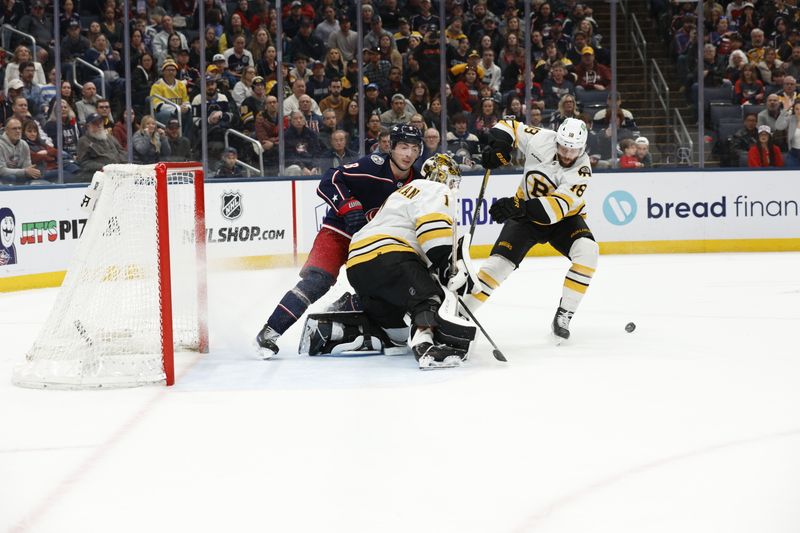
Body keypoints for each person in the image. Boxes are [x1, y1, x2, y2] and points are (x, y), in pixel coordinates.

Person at [254, 125, 424, 357]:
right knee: (317, 281)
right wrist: (347, 205)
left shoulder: (418, 184)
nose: (408, 154)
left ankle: (346, 307)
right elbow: (330, 179)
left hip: (374, 244)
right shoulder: (372, 166)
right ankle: (270, 332)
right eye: (403, 147)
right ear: (391, 147)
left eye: (414, 149)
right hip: (339, 232)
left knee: (387, 290)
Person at [335, 153, 476, 368]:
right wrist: (446, 265)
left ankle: (350, 323)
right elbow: (432, 230)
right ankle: (425, 346)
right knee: (428, 297)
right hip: (389, 254)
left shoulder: (400, 193)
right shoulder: (436, 189)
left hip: (357, 263)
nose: (454, 185)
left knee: (397, 328)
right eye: (453, 179)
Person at [468, 117, 599, 343]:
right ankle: (459, 314)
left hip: (564, 220)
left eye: (573, 150)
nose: (567, 155)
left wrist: (516, 207)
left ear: (583, 148)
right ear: (557, 140)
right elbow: (508, 125)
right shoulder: (541, 138)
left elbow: (554, 210)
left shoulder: (582, 171)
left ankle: (564, 313)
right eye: (563, 147)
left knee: (588, 251)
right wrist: (500, 145)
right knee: (497, 266)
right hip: (526, 217)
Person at [75, 113, 127, 182]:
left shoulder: (109, 137)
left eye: (100, 122)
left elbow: (122, 151)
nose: (99, 125)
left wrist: (122, 165)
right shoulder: (84, 141)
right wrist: (104, 167)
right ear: (88, 126)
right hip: (99, 174)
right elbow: (84, 162)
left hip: (118, 171)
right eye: (95, 123)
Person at [0, 117, 41, 185]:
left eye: (19, 128)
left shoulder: (24, 144)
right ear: (6, 130)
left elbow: (27, 167)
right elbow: (1, 170)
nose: (18, 131)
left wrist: (32, 172)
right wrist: (24, 171)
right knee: (10, 177)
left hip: (20, 178)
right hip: (3, 180)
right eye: (14, 128)